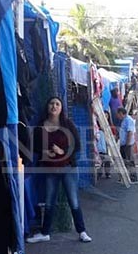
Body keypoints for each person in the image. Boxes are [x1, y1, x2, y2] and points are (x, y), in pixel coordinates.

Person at [27, 97, 92, 244]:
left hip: (68, 168)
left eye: (57, 104)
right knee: (49, 201)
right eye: (51, 103)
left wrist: (63, 151)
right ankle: (45, 233)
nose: (54, 106)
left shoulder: (67, 124)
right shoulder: (41, 126)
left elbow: (77, 145)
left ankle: (82, 231)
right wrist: (45, 152)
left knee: (73, 201)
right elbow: (35, 146)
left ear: (61, 108)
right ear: (47, 107)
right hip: (50, 169)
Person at [115, 107, 138, 183]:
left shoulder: (128, 120)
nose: (117, 116)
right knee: (124, 161)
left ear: (121, 113)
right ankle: (125, 177)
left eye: (118, 114)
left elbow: (130, 132)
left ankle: (133, 178)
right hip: (123, 144)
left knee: (130, 161)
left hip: (127, 145)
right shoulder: (124, 120)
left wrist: (127, 144)